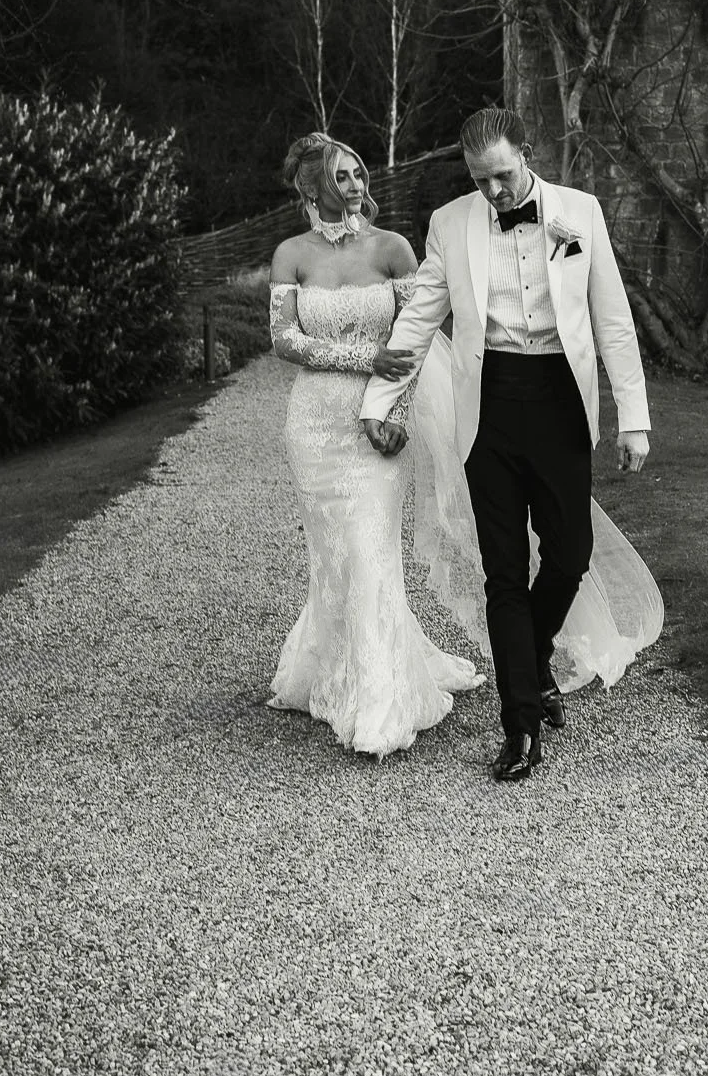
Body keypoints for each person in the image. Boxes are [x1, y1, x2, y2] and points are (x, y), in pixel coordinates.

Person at [361, 105, 657, 782]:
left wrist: (632, 419)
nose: (492, 193)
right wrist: (380, 398)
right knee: (502, 574)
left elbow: (612, 323)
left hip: (558, 404)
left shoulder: (579, 212)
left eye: (500, 176)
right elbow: (417, 322)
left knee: (568, 554)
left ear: (525, 153)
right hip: (488, 408)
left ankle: (533, 656)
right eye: (479, 180)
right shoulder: (449, 223)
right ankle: (519, 723)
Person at [267, 131, 482, 756]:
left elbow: (414, 338)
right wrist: (366, 355)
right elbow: (283, 339)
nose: (357, 185)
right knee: (332, 553)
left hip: (378, 419)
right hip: (313, 426)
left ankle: (380, 699)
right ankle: (331, 672)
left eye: (360, 173)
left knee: (370, 550)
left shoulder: (392, 248)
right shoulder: (291, 255)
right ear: (312, 188)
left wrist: (395, 411)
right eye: (342, 176)